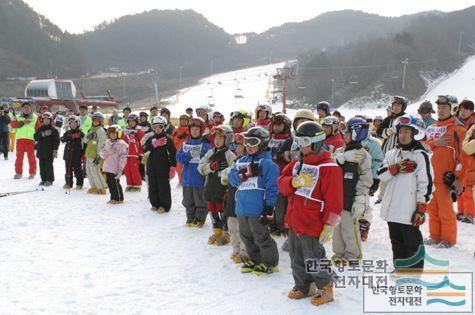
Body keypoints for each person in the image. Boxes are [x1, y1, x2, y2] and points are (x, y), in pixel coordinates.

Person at [277, 121, 343, 306]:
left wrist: (329, 225)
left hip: (313, 222)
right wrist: (294, 182)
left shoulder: (329, 168)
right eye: (298, 141)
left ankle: (326, 287)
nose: (301, 146)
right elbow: (281, 183)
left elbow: (334, 201)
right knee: (296, 256)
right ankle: (303, 286)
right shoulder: (296, 164)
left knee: (314, 257)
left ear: (317, 142)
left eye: (305, 141)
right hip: (295, 219)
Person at [378, 114, 433, 272]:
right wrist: (396, 168)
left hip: (409, 210)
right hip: (392, 208)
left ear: (415, 133)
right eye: (401, 131)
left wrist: (421, 208)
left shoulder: (421, 156)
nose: (403, 135)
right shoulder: (392, 154)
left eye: (407, 132)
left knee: (412, 245)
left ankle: (413, 276)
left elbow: (427, 184)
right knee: (396, 242)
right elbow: (381, 174)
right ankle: (400, 270)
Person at [229, 127, 280, 275]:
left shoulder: (268, 164)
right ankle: (255, 260)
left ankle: (270, 263)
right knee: (246, 237)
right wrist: (243, 174)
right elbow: (231, 181)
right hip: (242, 208)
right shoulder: (241, 162)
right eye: (246, 142)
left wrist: (269, 208)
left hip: (257, 208)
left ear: (263, 143)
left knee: (261, 237)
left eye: (253, 142)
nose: (248, 146)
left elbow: (273, 188)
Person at [424, 95, 466, 248]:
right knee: (432, 209)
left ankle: (448, 239)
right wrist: (435, 143)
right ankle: (435, 235)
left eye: (445, 107)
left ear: (453, 109)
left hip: (446, 178)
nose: (440, 110)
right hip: (431, 177)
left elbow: (464, 157)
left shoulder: (459, 130)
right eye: (439, 107)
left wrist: (459, 177)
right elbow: (423, 145)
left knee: (445, 210)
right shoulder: (432, 128)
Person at [332, 117, 373, 265]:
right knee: (336, 228)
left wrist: (361, 198)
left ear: (357, 133)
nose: (344, 136)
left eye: (348, 133)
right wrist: (340, 158)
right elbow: (330, 163)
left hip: (351, 197)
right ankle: (339, 253)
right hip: (336, 196)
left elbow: (366, 178)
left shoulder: (363, 155)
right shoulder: (340, 151)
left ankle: (353, 255)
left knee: (349, 228)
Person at [198, 125, 235, 245]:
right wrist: (210, 167)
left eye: (220, 138)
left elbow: (234, 169)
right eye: (215, 138)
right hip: (210, 187)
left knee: (222, 210)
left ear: (227, 139)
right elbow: (200, 167)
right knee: (212, 210)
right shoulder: (210, 153)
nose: (217, 141)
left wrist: (226, 172)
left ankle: (226, 232)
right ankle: (217, 231)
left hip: (223, 189)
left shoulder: (230, 154)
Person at [177, 117, 211, 227]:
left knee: (200, 201)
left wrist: (201, 154)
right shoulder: (185, 145)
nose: (194, 131)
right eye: (192, 129)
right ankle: (190, 217)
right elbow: (178, 158)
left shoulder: (205, 145)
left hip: (199, 180)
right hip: (187, 179)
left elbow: (209, 158)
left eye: (197, 129)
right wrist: (189, 155)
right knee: (188, 201)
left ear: (201, 130)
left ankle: (199, 218)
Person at [222, 132, 249, 263]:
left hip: (243, 201)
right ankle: (235, 250)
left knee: (243, 230)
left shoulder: (250, 162)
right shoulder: (236, 160)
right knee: (232, 228)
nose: (236, 148)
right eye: (236, 145)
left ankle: (244, 252)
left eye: (239, 145)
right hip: (232, 199)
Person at [142, 116, 177, 213]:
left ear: (164, 127)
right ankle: (155, 204)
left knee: (163, 187)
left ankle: (164, 205)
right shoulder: (150, 139)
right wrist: (155, 144)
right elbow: (144, 150)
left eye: (160, 127)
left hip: (163, 168)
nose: (157, 129)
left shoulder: (168, 140)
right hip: (151, 167)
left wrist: (173, 167)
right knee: (152, 187)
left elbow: (173, 154)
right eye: (155, 127)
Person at [11, 102, 40, 179]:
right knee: (19, 158)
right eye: (25, 107)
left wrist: (37, 139)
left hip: (30, 140)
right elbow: (13, 125)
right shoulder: (17, 117)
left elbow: (38, 129)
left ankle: (32, 172)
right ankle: (18, 173)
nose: (26, 109)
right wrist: (22, 122)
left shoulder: (35, 117)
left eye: (28, 107)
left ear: (30, 108)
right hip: (20, 140)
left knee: (31, 158)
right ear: (22, 109)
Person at [100, 125, 128, 204]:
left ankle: (119, 198)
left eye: (115, 133)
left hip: (115, 167)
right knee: (110, 183)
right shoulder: (107, 143)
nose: (114, 135)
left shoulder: (121, 144)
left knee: (115, 183)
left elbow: (123, 157)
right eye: (112, 133)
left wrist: (120, 169)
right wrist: (108, 151)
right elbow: (102, 154)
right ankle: (113, 197)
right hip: (107, 167)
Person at [83, 112, 107, 193]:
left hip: (95, 155)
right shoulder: (91, 129)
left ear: (100, 121)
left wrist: (98, 155)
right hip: (89, 153)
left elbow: (101, 144)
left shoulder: (101, 131)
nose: (95, 121)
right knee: (89, 171)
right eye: (94, 119)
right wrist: (88, 136)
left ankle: (101, 188)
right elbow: (84, 140)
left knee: (95, 171)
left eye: (97, 120)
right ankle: (93, 186)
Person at [33, 112, 60, 186]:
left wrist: (55, 150)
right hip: (41, 151)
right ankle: (43, 179)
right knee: (42, 166)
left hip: (49, 152)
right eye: (44, 119)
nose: (46, 120)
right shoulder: (40, 129)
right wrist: (42, 134)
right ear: (42, 120)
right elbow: (35, 137)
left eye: (48, 119)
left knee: (49, 166)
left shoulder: (54, 130)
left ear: (51, 120)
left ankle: (50, 180)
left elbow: (57, 141)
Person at [121, 114, 144, 192]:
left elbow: (142, 144)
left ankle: (137, 185)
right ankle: (130, 184)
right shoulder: (125, 131)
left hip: (135, 154)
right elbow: (121, 141)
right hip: (126, 154)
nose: (131, 123)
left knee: (134, 170)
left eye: (133, 121)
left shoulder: (139, 132)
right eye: (129, 121)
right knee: (127, 170)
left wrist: (141, 154)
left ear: (136, 122)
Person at [61, 116, 84, 190]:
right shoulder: (67, 132)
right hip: (68, 154)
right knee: (68, 170)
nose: (73, 125)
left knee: (78, 170)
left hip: (77, 155)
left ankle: (79, 183)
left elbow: (84, 143)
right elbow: (62, 139)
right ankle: (68, 183)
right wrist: (69, 137)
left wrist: (83, 154)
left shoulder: (81, 133)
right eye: (71, 123)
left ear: (78, 124)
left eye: (75, 123)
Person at [461, 123, 475, 223]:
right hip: (470, 163)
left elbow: (466, 147)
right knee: (465, 190)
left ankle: (468, 214)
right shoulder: (473, 126)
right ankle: (465, 212)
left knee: (467, 190)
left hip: (471, 162)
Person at [172, 114, 191, 184]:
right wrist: (179, 137)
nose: (183, 122)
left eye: (185, 120)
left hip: (188, 152)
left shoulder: (191, 130)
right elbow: (172, 141)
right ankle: (181, 181)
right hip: (178, 152)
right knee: (179, 168)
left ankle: (187, 181)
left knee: (187, 167)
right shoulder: (176, 130)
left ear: (188, 121)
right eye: (182, 120)